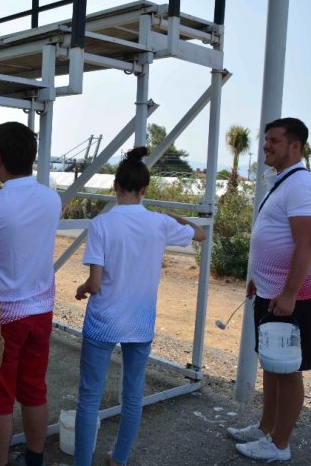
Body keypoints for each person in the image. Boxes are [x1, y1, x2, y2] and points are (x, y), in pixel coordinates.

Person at [73, 147, 206, 466]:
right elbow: (199, 234)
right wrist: (173, 217)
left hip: (103, 321)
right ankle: (118, 459)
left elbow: (94, 283)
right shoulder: (159, 224)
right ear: (145, 190)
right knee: (132, 395)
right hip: (140, 322)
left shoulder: (101, 225)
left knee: (89, 397)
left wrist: (80, 289)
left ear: (115, 186)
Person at [229, 117, 311, 462]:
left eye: (274, 140)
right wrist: (260, 278)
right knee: (271, 364)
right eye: (266, 140)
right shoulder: (284, 182)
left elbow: (307, 243)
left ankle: (279, 445)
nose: (266, 146)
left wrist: (288, 294)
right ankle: (264, 429)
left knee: (287, 370)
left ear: (295, 146)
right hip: (273, 292)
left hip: (297, 295)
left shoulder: (300, 185)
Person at [0, 122, 61, 466]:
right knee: (34, 389)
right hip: (41, 311)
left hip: (1, 317)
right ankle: (35, 458)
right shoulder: (52, 199)